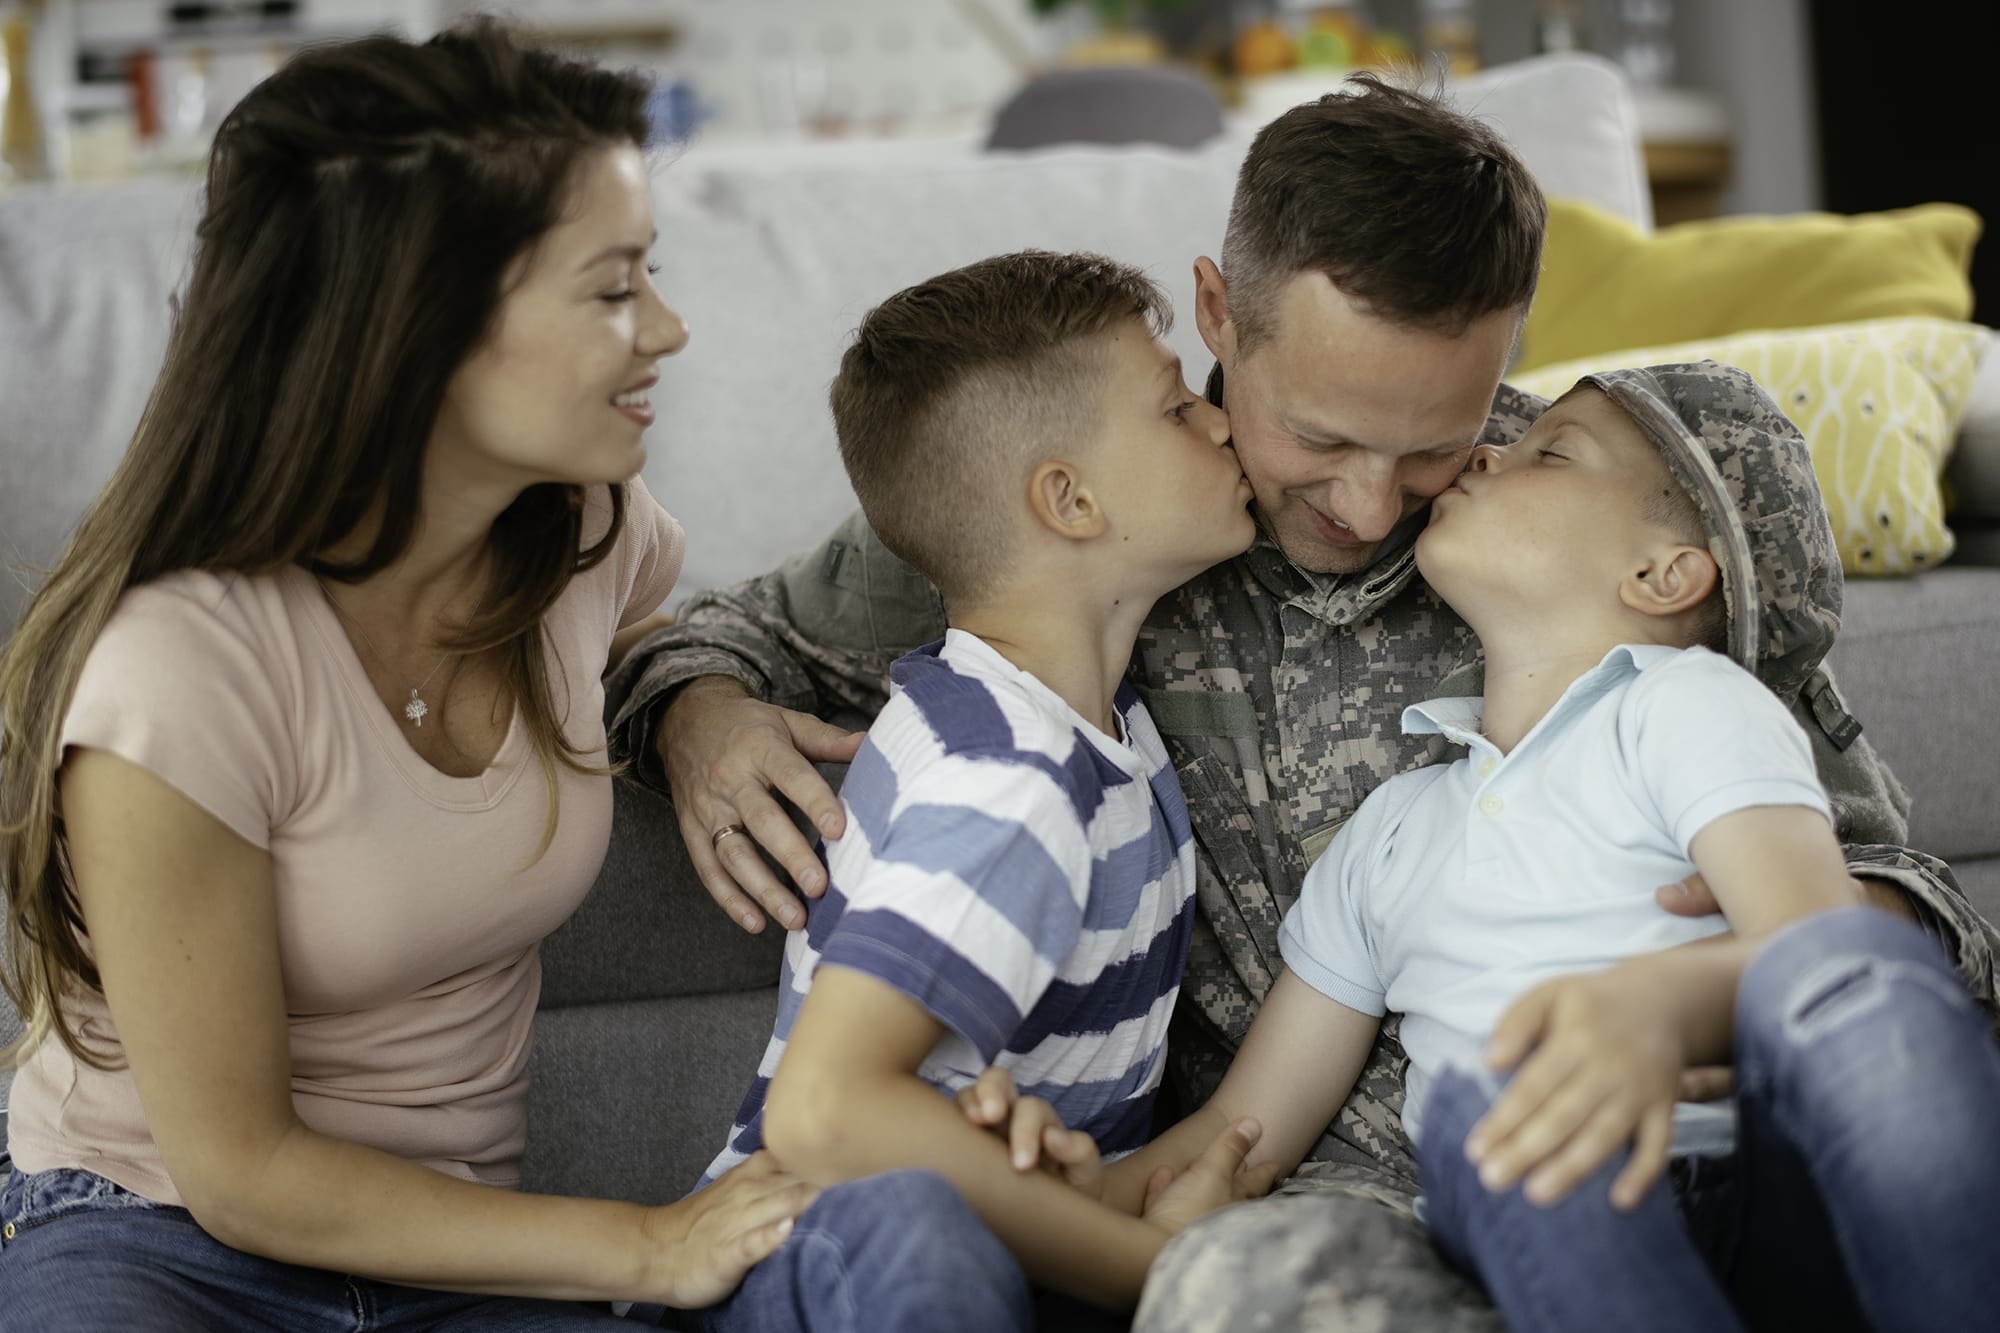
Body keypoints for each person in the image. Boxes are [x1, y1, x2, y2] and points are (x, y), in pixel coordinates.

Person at [605, 75, 2000, 1328]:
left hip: (1659, 1143)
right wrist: (697, 717)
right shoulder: (1098, 494)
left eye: (1435, 447)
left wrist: (1697, 1001)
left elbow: (1888, 899)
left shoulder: (1574, 523)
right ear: (1221, 315)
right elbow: (709, 631)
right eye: (1320, 436)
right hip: (1317, 1209)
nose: (1367, 502)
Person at [0, 22, 817, 1330]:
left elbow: (633, 630)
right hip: (155, 1241)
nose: (666, 327)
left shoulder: (581, 532)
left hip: (458, 1256)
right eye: (612, 289)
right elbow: (240, 1173)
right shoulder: (179, 673)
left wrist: (697, 708)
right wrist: (655, 1247)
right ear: (421, 328)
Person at [975, 361, 2000, 1331]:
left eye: (1547, 453)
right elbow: (1239, 1132)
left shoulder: (1684, 708)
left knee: (1872, 986)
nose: (1482, 455)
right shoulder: (1390, 833)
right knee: (1480, 1114)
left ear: (1660, 573)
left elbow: (1814, 954)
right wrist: (1039, 1189)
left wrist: (1649, 1006)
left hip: (1758, 1168)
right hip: (1545, 1218)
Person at [670, 251, 1277, 1333]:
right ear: (1070, 498)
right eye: (1177, 407)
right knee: (925, 1229)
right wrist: (1166, 1274)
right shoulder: (1007, 780)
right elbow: (824, 1108)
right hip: (826, 1262)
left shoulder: (1081, 726)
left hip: (972, 1247)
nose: (1223, 423)